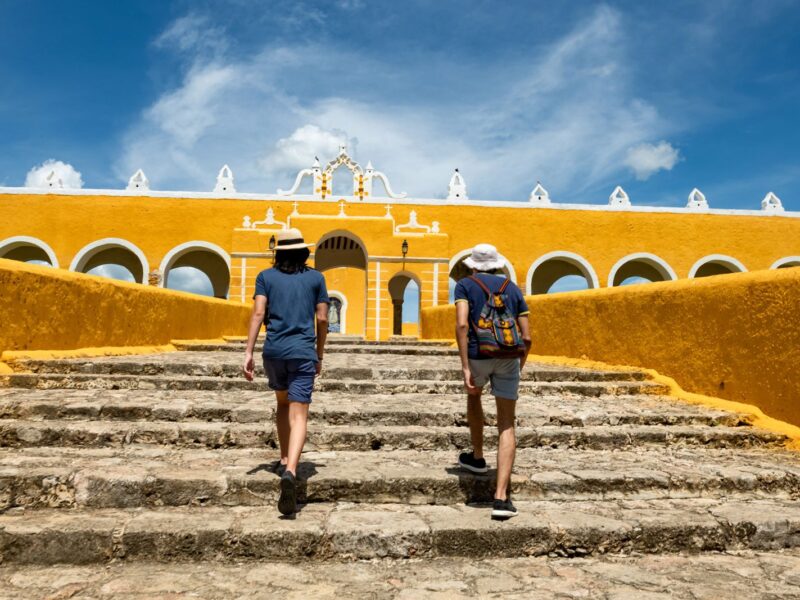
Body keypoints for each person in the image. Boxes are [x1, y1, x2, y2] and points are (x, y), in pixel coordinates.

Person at [243, 228, 329, 516]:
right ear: (304, 252)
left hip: (274, 351)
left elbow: (257, 313)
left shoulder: (265, 277)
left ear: (278, 252)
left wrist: (248, 352)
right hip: (303, 352)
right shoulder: (316, 278)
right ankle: (291, 469)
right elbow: (323, 318)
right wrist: (319, 353)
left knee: (281, 403)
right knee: (299, 412)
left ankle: (282, 457)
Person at [453, 243, 531, 520]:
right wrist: (517, 364)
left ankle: (477, 456)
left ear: (473, 264)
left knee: (474, 396)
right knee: (507, 423)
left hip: (478, 353)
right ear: (497, 264)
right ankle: (501, 497)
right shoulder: (513, 288)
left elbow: (462, 324)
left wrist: (464, 366)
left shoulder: (465, 285)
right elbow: (527, 335)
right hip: (509, 355)